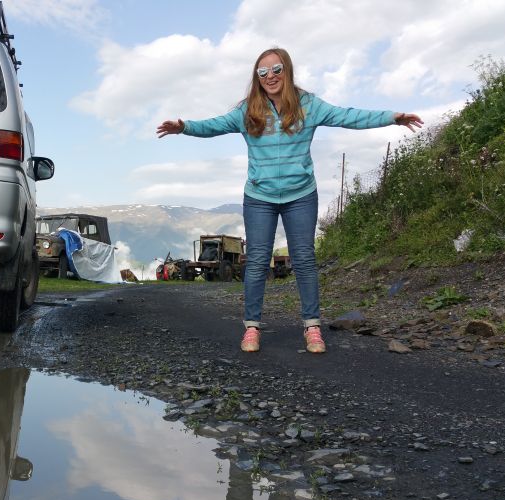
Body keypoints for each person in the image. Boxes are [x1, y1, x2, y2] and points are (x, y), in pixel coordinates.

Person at [157, 47, 422, 354]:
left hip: (301, 195)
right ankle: (252, 329)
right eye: (263, 72)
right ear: (257, 77)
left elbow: (349, 116)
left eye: (276, 70)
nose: (270, 76)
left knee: (305, 260)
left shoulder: (308, 105)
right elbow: (214, 125)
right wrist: (185, 127)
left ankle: (312, 329)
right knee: (256, 261)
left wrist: (393, 118)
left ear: (287, 70)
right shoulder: (248, 110)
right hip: (259, 197)